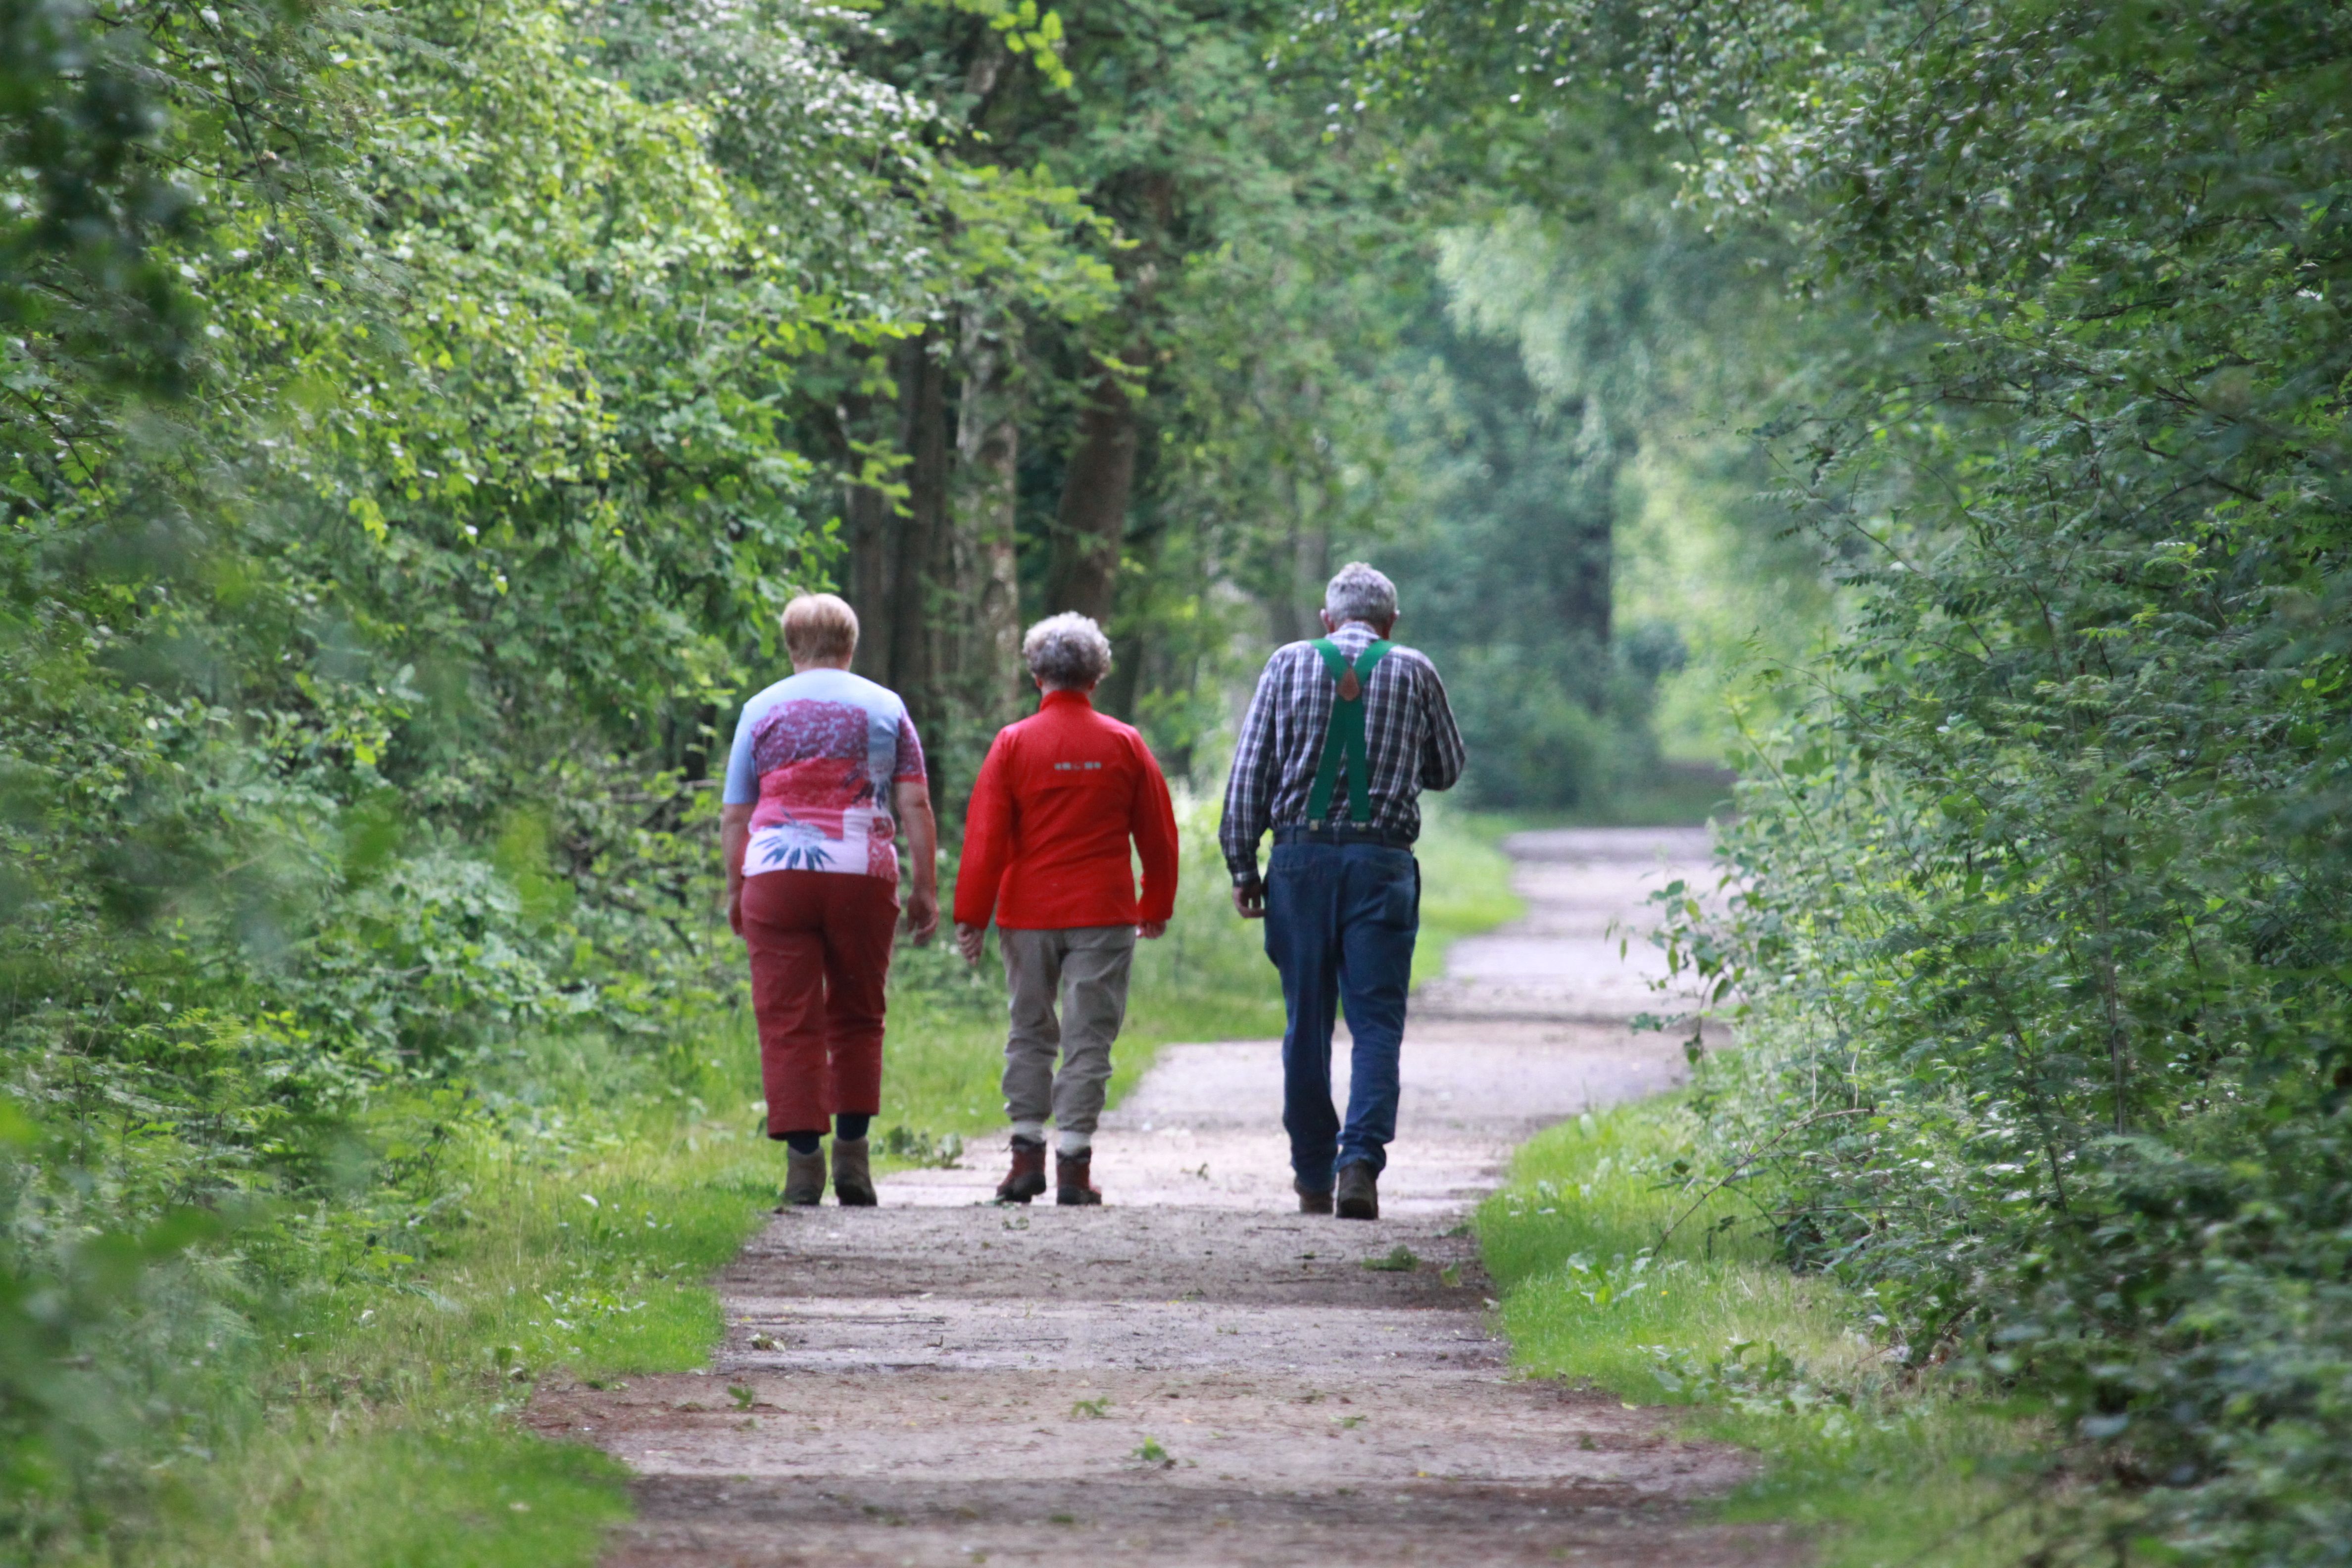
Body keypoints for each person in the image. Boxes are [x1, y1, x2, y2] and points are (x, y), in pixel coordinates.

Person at [1219, 563, 1465, 1221]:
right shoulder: (1415, 668)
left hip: (1299, 865)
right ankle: (1359, 1161)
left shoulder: (1285, 664)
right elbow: (1447, 769)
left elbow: (1250, 773)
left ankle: (1310, 1173)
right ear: (1391, 622)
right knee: (1376, 1022)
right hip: (1381, 866)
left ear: (1328, 620)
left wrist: (1243, 865)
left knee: (1307, 1022)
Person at [720, 592, 939, 1208]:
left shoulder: (758, 709)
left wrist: (737, 888)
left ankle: (802, 1165)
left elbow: (737, 814)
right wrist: (925, 888)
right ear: (851, 646)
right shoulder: (886, 706)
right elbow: (915, 804)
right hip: (861, 872)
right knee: (858, 1012)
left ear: (792, 648)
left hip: (779, 873)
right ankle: (853, 1157)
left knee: (788, 1018)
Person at [953, 613, 1180, 1206]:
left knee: (1029, 1030)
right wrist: (1155, 902)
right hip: (1103, 911)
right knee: (1088, 1037)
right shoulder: (1125, 743)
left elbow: (985, 839)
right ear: (1097, 677)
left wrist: (971, 917)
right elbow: (1157, 833)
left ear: (1036, 675)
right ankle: (1074, 1168)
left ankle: (1025, 1159)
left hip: (1028, 911)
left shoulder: (1013, 744)